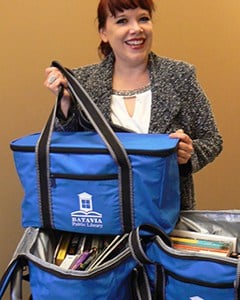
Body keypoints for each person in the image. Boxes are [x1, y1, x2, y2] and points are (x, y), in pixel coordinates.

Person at [44, 0, 223, 210]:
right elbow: (67, 152)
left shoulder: (180, 76)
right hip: (104, 212)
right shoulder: (81, 83)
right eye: (122, 21)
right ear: (104, 32)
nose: (136, 29)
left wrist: (187, 155)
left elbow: (213, 140)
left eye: (143, 19)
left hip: (166, 213)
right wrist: (65, 103)